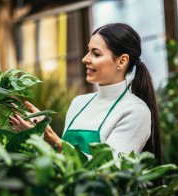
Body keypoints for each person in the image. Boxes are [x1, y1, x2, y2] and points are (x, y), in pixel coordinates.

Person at [9, 23, 161, 163]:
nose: (85, 59)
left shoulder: (135, 111)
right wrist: (39, 138)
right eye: (88, 51)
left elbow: (111, 169)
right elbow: (64, 162)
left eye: (96, 53)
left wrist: (54, 141)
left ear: (121, 61)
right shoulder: (79, 103)